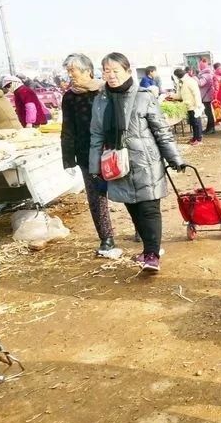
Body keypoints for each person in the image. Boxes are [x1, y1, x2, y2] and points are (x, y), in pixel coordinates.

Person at [90, 52, 185, 273]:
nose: (111, 75)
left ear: (127, 70)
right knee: (132, 206)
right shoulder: (101, 100)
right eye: (106, 71)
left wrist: (174, 158)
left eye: (115, 70)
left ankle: (152, 254)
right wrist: (95, 167)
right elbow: (96, 135)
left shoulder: (144, 96)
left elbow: (162, 131)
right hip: (116, 163)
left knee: (149, 207)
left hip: (145, 161)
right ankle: (148, 248)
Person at [61, 53, 117, 256]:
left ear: (88, 71)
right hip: (86, 153)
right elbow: (68, 127)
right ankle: (107, 238)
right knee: (96, 197)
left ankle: (139, 228)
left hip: (112, 150)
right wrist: (68, 158)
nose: (70, 75)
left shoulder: (107, 91)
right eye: (68, 71)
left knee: (126, 190)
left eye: (72, 70)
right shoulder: (69, 96)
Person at [197, 58, 216, 134]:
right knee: (209, 113)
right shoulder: (210, 73)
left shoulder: (205, 75)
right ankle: (210, 128)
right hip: (208, 95)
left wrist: (194, 78)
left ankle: (210, 129)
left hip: (206, 97)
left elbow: (201, 83)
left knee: (208, 113)